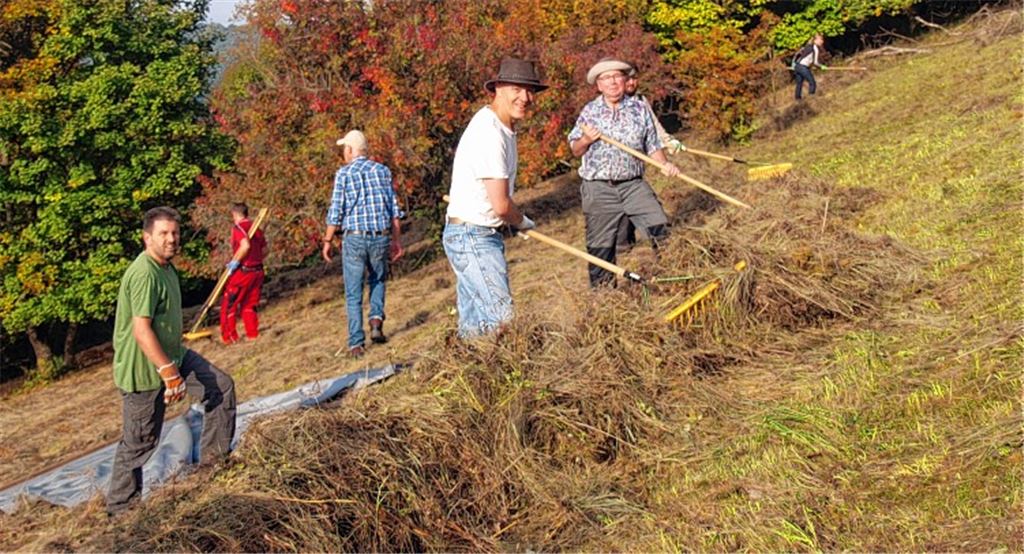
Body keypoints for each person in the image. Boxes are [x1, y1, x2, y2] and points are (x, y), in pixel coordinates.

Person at [107, 206, 236, 516]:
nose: (171, 239)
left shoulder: (166, 267)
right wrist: (169, 374)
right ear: (146, 237)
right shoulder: (144, 273)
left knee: (220, 387)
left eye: (175, 233)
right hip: (145, 371)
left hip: (175, 357)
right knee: (140, 442)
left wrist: (174, 366)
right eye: (163, 233)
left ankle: (212, 467)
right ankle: (121, 510)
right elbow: (141, 330)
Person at [443, 57, 546, 338]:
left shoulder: (504, 127)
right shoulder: (490, 132)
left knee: (476, 329)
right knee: (503, 321)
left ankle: (475, 375)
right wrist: (522, 221)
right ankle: (510, 376)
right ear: (499, 88)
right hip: (472, 236)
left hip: (474, 234)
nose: (525, 98)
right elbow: (501, 206)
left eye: (530, 91)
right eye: (517, 89)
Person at [568, 58, 681, 287]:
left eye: (617, 76)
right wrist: (586, 139)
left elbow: (652, 145)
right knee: (600, 247)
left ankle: (673, 278)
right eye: (606, 78)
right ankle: (604, 300)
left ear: (625, 80)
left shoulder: (639, 108)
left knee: (660, 227)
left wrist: (664, 164)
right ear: (598, 85)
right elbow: (575, 148)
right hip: (599, 188)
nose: (612, 82)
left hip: (633, 185)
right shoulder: (590, 112)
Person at [322, 130, 404, 358]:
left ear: (350, 149)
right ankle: (376, 319)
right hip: (380, 235)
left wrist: (328, 240)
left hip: (355, 237)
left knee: (353, 291)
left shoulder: (344, 174)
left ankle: (356, 343)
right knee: (378, 278)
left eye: (344, 150)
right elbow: (393, 209)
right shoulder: (383, 171)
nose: (343, 154)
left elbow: (336, 211)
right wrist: (396, 239)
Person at [617, 63, 685, 254]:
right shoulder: (609, 105)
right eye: (627, 78)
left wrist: (669, 142)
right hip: (613, 176)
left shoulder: (640, 101)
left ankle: (663, 253)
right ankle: (623, 247)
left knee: (650, 213)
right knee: (620, 222)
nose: (631, 82)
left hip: (634, 174)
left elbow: (653, 127)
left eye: (634, 78)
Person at [220, 202, 267, 344]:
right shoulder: (256, 229)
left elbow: (245, 245)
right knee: (250, 305)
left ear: (235, 215)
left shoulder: (238, 228)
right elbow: (266, 250)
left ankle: (230, 337)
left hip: (243, 272)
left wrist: (236, 261)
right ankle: (253, 334)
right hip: (258, 271)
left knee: (229, 305)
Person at [792, 33, 828, 100]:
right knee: (812, 82)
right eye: (820, 40)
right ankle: (811, 99)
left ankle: (798, 99)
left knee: (799, 84)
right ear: (815, 40)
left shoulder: (808, 46)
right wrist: (821, 66)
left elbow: (803, 57)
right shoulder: (815, 48)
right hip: (803, 67)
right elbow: (815, 62)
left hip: (797, 66)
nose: (822, 42)